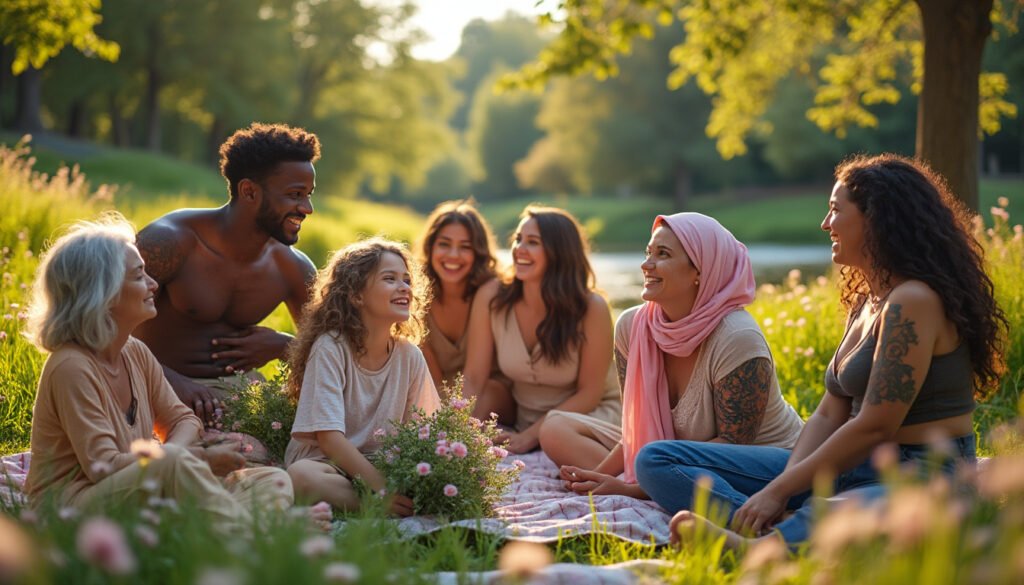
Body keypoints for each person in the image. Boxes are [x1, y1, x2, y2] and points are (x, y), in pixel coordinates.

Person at [638, 154, 1007, 550]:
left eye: (835, 211)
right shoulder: (868, 299)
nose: (825, 223)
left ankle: (758, 547)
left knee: (833, 511)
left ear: (876, 219)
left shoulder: (914, 301)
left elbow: (875, 425)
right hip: (850, 462)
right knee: (655, 461)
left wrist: (782, 492)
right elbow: (831, 411)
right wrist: (784, 488)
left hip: (923, 471)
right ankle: (761, 523)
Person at [23, 214, 293, 535]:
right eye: (139, 276)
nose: (153, 284)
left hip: (137, 485)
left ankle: (231, 529)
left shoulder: (134, 351)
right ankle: (253, 535)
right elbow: (103, 465)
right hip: (70, 505)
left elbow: (183, 420)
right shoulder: (71, 366)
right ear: (103, 293)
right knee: (175, 466)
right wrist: (191, 461)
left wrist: (180, 460)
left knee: (270, 479)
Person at [542, 213, 804, 498]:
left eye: (662, 254)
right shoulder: (633, 327)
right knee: (556, 427)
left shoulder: (736, 338)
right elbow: (634, 425)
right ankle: (649, 479)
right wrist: (599, 477)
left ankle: (652, 483)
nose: (646, 264)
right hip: (664, 455)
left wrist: (631, 489)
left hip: (759, 465)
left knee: (651, 460)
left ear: (700, 271)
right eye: (648, 252)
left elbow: (733, 447)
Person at [133, 122, 320, 424]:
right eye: (295, 194)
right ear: (249, 192)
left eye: (309, 194)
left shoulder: (293, 267)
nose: (307, 208)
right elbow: (99, 325)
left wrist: (282, 345)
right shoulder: (169, 241)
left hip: (232, 400)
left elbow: (334, 355)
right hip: (148, 387)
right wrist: (168, 381)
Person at [284, 238, 441, 515]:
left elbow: (428, 430)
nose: (404, 287)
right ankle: (380, 505)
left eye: (406, 280)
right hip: (327, 462)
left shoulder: (409, 355)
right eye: (389, 279)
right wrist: (382, 490)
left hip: (381, 461)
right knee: (301, 477)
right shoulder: (330, 347)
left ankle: (384, 503)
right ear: (356, 295)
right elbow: (329, 439)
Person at [461, 206, 621, 454]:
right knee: (480, 399)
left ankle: (621, 471)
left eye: (532, 242)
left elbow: (589, 394)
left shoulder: (591, 307)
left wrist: (529, 437)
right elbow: (474, 376)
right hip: (526, 417)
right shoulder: (492, 296)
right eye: (518, 239)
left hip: (588, 416)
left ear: (559, 252)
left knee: (554, 433)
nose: (519, 249)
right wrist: (454, 431)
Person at [415, 199, 502, 390]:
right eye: (444, 244)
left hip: (488, 392)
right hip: (439, 393)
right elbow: (432, 379)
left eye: (465, 247)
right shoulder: (416, 295)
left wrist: (453, 417)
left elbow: (476, 377)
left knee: (488, 392)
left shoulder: (489, 291)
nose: (453, 255)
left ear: (478, 252)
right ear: (430, 248)